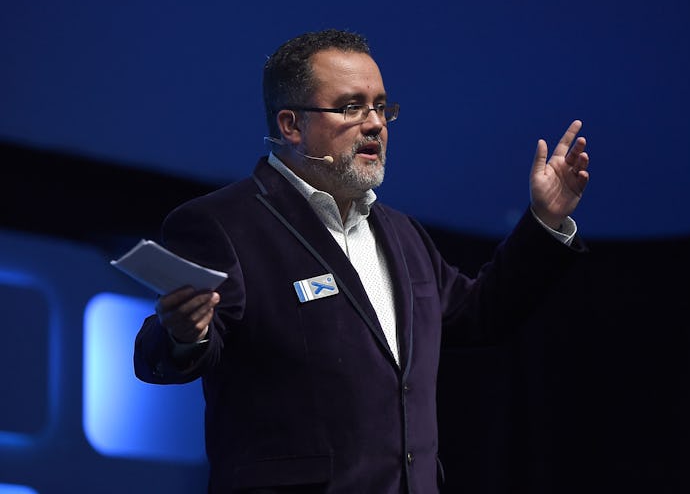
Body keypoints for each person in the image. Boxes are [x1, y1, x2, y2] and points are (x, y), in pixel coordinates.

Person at [134, 29, 590, 493]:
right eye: (351, 107)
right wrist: (184, 334)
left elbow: (482, 316)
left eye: (380, 106)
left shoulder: (403, 234)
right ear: (291, 125)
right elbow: (173, 350)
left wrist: (545, 221)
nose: (375, 124)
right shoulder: (223, 224)